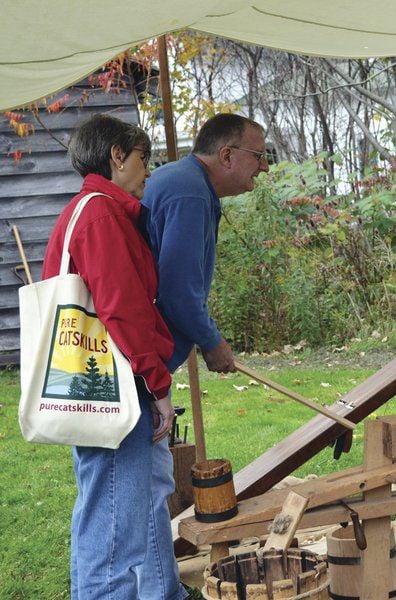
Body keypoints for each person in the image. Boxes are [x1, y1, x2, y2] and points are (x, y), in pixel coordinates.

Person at [42, 114, 187, 599]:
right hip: (115, 383)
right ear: (116, 156)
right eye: (143, 159)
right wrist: (157, 385)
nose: (148, 170)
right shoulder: (101, 213)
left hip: (104, 379)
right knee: (112, 523)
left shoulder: (94, 210)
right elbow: (123, 309)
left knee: (140, 504)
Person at [139, 113, 269, 584]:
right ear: (227, 154)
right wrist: (212, 342)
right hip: (139, 361)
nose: (264, 166)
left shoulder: (184, 182)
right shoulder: (191, 192)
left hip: (145, 360)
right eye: (259, 155)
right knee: (139, 489)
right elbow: (176, 292)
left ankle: (160, 589)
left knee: (150, 484)